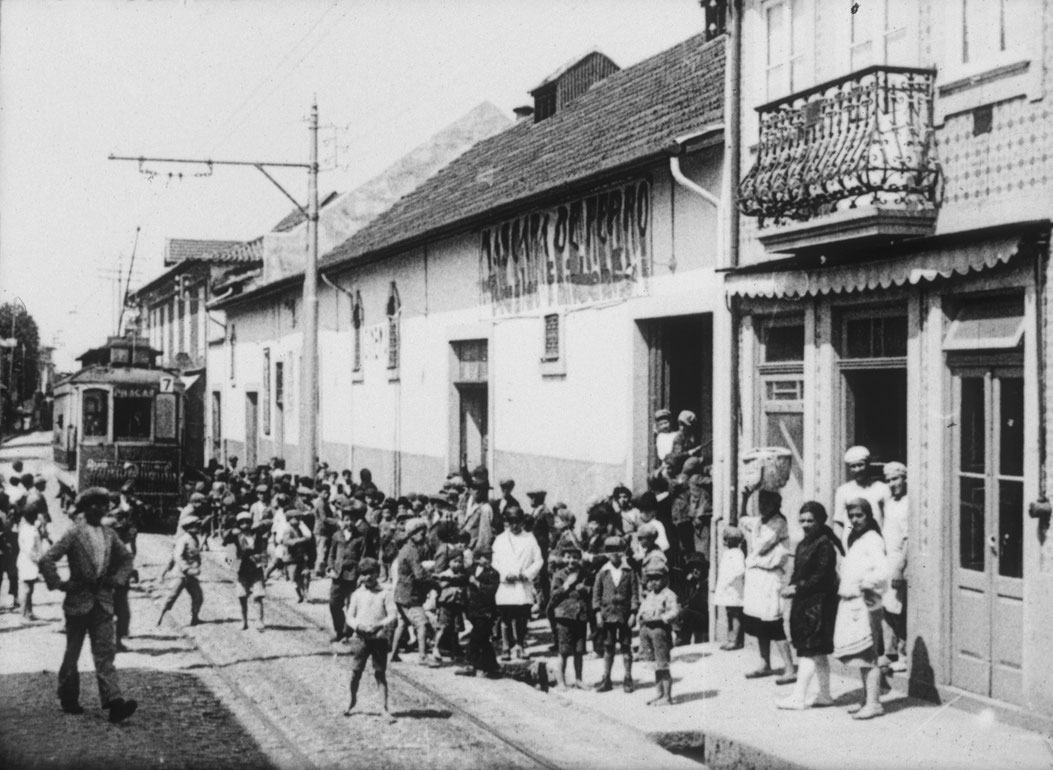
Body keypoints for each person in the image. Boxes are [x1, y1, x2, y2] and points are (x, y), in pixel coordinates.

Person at [38, 488, 137, 722]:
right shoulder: (74, 533)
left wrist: (117, 579)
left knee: (105, 653)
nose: (101, 509)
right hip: (78, 602)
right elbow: (47, 559)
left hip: (102, 603)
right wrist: (60, 584)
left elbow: (126, 560)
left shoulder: (109, 534)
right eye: (96, 505)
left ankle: (114, 702)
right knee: (73, 652)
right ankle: (68, 697)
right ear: (86, 508)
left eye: (104, 505)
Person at [777, 502, 843, 710]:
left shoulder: (824, 545)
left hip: (818, 605)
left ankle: (798, 697)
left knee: (808, 649)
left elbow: (823, 576)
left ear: (821, 521)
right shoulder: (806, 543)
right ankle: (825, 694)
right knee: (818, 651)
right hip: (806, 602)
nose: (805, 524)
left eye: (810, 521)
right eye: (802, 520)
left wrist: (797, 588)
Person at [834, 498, 889, 720]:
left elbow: (883, 570)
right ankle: (867, 699)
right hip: (853, 601)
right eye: (852, 516)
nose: (855, 520)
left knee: (869, 654)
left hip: (867, 600)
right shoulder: (857, 539)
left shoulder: (873, 540)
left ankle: (874, 703)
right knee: (861, 655)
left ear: (868, 516)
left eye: (860, 515)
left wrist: (867, 583)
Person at [740, 487, 796, 683]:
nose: (763, 507)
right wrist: (745, 497)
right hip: (755, 576)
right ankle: (765, 662)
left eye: (767, 503)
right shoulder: (758, 521)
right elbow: (741, 519)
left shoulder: (779, 523)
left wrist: (752, 528)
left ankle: (790, 668)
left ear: (776, 504)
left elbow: (761, 546)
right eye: (761, 503)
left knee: (773, 622)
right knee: (757, 622)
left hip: (770, 576)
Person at [343, 557, 397, 720]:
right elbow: (349, 617)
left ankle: (383, 707)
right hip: (360, 639)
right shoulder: (357, 594)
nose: (368, 577)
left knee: (380, 673)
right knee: (356, 672)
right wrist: (358, 626)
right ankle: (351, 701)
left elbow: (392, 615)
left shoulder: (385, 593)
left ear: (378, 573)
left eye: (371, 573)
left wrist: (380, 625)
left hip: (379, 638)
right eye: (364, 574)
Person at [492, 506, 543, 660]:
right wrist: (504, 574)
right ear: (506, 522)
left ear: (522, 522)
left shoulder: (530, 538)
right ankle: (506, 647)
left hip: (523, 585)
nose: (514, 525)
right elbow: (495, 561)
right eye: (511, 522)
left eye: (518, 522)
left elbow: (539, 560)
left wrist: (526, 574)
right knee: (506, 618)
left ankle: (520, 645)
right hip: (506, 585)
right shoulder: (500, 539)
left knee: (522, 618)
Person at [592, 536, 639, 693]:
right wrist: (598, 613)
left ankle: (628, 677)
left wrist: (633, 613)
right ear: (606, 553)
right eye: (611, 550)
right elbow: (596, 595)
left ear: (624, 551)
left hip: (624, 616)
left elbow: (634, 594)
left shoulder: (629, 571)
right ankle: (606, 678)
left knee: (626, 647)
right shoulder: (603, 572)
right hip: (607, 616)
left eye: (618, 550)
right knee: (608, 647)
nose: (615, 554)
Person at [392, 518, 438, 667]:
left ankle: (393, 654)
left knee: (402, 623)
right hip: (410, 595)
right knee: (422, 624)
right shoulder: (412, 551)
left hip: (400, 593)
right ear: (412, 533)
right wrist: (435, 582)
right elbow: (419, 574)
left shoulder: (406, 548)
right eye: (421, 533)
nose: (424, 536)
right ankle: (423, 657)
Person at [637, 565, 680, 706]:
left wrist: (661, 618)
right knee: (656, 665)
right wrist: (641, 617)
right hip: (649, 632)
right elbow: (642, 609)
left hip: (660, 632)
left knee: (663, 665)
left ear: (665, 579)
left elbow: (674, 612)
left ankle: (667, 696)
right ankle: (659, 693)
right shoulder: (650, 595)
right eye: (650, 579)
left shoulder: (669, 594)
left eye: (657, 579)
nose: (653, 582)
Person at [881, 461, 909, 672]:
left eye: (896, 479)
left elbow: (908, 539)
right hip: (886, 558)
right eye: (888, 480)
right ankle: (889, 651)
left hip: (899, 559)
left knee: (897, 609)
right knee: (886, 608)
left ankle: (903, 654)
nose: (892, 483)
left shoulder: (909, 503)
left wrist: (900, 567)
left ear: (905, 479)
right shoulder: (890, 502)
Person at [549, 546, 589, 689]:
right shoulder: (559, 575)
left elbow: (593, 589)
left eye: (575, 557)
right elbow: (553, 595)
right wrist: (567, 585)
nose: (572, 560)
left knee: (579, 650)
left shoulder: (585, 574)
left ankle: (578, 679)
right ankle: (561, 681)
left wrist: (585, 589)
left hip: (580, 615)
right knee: (564, 651)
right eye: (568, 557)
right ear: (563, 558)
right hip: (564, 615)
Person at [832, 446, 891, 543]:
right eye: (853, 466)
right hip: (851, 542)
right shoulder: (843, 490)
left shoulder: (882, 488)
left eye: (860, 465)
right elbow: (838, 523)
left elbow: (889, 521)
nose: (857, 469)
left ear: (868, 464)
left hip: (876, 540)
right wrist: (840, 548)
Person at [223, 511, 269, 632]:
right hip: (242, 569)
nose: (245, 525)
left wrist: (263, 562)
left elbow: (263, 548)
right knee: (242, 596)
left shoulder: (257, 534)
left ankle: (259, 620)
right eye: (242, 523)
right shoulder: (235, 535)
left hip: (255, 568)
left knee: (258, 596)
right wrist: (231, 531)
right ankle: (244, 621)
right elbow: (225, 542)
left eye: (247, 522)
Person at [158, 514, 205, 626]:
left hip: (191, 575)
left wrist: (195, 567)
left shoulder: (194, 538)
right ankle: (159, 618)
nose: (199, 528)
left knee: (198, 596)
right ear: (189, 527)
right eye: (196, 526)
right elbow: (177, 556)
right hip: (181, 574)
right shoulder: (183, 540)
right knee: (171, 597)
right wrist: (186, 568)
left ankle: (195, 618)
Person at [714, 526, 746, 650]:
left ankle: (735, 640)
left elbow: (739, 570)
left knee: (735, 614)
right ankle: (729, 638)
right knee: (729, 613)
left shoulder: (737, 553)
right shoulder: (727, 553)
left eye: (726, 539)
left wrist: (728, 581)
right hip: (726, 589)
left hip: (734, 588)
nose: (724, 541)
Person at [16, 504, 47, 621]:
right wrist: (39, 559)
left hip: (27, 561)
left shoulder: (26, 528)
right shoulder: (30, 531)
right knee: (27, 589)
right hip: (28, 562)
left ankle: (29, 613)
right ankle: (24, 614)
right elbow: (30, 550)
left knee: (30, 589)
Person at [676, 552, 708, 645]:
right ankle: (682, 639)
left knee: (686, 613)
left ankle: (683, 639)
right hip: (693, 614)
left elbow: (702, 603)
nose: (696, 571)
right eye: (693, 567)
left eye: (698, 567)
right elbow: (683, 595)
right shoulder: (691, 582)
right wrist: (689, 581)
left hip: (703, 616)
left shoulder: (705, 583)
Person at [460, 481, 494, 552]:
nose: (477, 492)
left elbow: (484, 535)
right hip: (467, 546)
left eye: (481, 489)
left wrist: (477, 551)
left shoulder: (485, 508)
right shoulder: (475, 506)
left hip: (475, 549)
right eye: (474, 489)